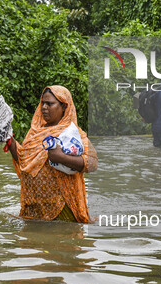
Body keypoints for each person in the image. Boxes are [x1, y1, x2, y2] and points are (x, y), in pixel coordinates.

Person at [7, 85, 98, 223]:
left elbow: (92, 163)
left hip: (62, 207)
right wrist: (9, 140)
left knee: (61, 240)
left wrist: (61, 157)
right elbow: (24, 161)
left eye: (50, 104)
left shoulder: (74, 133)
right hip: (33, 207)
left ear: (63, 107)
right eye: (42, 103)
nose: (44, 107)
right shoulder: (34, 133)